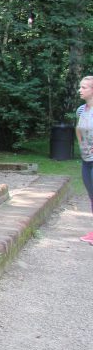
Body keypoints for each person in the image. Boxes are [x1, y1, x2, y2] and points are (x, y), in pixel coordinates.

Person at [76, 76, 93, 243]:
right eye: (80, 87)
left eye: (84, 87)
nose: (80, 90)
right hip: (86, 160)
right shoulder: (81, 110)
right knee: (91, 194)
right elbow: (78, 128)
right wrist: (81, 144)